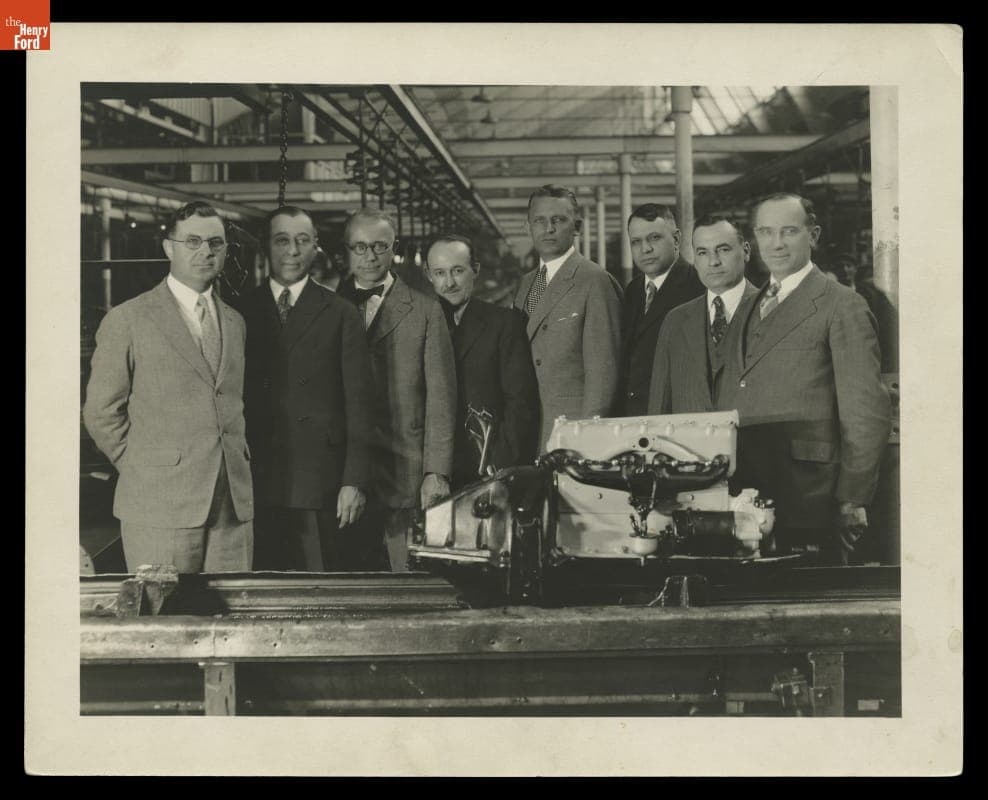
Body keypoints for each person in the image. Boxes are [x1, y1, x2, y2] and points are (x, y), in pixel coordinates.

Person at [82, 201, 254, 573]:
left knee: (237, 621)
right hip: (158, 503)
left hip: (231, 506)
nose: (205, 251)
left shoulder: (235, 322)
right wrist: (144, 466)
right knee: (164, 618)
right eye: (192, 241)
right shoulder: (128, 319)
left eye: (215, 243)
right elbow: (100, 412)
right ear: (168, 248)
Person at [733, 192, 891, 564]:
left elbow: (866, 410)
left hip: (811, 494)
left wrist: (853, 498)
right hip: (751, 488)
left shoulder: (842, 304)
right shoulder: (751, 305)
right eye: (766, 232)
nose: (776, 243)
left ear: (813, 235)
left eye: (789, 231)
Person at [241, 206, 374, 571]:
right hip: (256, 480)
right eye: (282, 241)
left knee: (319, 589)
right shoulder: (239, 312)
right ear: (266, 248)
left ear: (316, 247)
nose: (292, 251)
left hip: (321, 482)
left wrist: (354, 481)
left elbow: (360, 406)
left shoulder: (341, 312)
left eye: (302, 241)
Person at [336, 209, 457, 571]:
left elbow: (441, 399)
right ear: (346, 251)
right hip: (343, 476)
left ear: (395, 250)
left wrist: (436, 472)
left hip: (405, 473)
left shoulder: (425, 310)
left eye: (379, 246)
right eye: (360, 247)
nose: (370, 257)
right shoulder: (325, 307)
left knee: (406, 580)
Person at [425, 234, 539, 490]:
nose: (449, 282)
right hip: (434, 472)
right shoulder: (420, 324)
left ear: (475, 270)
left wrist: (498, 466)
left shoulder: (504, 323)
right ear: (429, 275)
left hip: (486, 468)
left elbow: (520, 402)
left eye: (458, 271)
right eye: (440, 273)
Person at [513, 184, 623, 450]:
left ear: (577, 227)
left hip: (570, 433)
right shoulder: (526, 284)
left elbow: (603, 374)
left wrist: (586, 440)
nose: (548, 228)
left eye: (558, 220)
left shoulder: (595, 281)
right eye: (539, 220)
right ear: (528, 226)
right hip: (529, 429)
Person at [648, 215, 760, 415]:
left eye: (723, 250)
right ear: (694, 259)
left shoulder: (772, 311)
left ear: (746, 251)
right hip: (687, 445)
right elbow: (659, 408)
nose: (713, 262)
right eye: (702, 253)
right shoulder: (675, 321)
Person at [619, 203, 704, 416]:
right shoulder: (632, 291)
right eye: (636, 242)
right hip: (633, 419)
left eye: (654, 238)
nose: (645, 249)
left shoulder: (699, 287)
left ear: (676, 239)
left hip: (676, 417)